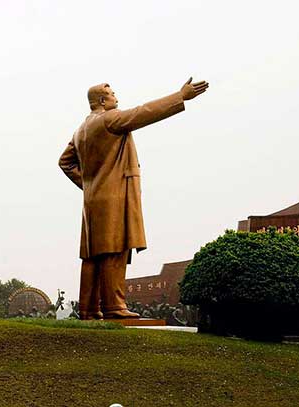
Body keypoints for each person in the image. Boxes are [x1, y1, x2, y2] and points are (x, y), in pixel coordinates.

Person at [59, 78, 208, 320]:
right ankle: (114, 307)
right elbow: (144, 113)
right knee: (114, 249)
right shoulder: (110, 119)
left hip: (93, 199)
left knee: (93, 255)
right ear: (101, 101)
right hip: (114, 195)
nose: (116, 97)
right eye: (111, 94)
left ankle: (88, 309)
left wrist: (88, 185)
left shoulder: (80, 131)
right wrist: (180, 96)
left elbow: (64, 162)